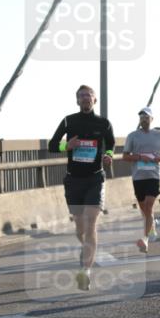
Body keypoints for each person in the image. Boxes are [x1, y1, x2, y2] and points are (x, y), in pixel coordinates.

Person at [48, 85, 115, 291]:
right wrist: (65, 147)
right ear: (77, 101)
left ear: (94, 100)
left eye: (89, 95)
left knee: (91, 223)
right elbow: (52, 145)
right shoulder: (69, 121)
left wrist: (108, 156)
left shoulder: (103, 123)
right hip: (73, 180)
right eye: (82, 96)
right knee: (80, 228)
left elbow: (111, 145)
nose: (85, 99)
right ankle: (85, 249)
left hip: (95, 178)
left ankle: (85, 271)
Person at [122, 107, 160, 253]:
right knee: (144, 210)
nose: (144, 119)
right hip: (138, 176)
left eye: (146, 117)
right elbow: (125, 156)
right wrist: (139, 157)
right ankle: (152, 226)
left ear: (152, 119)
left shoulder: (159, 135)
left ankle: (145, 239)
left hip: (154, 175)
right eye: (141, 117)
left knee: (149, 206)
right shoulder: (132, 136)